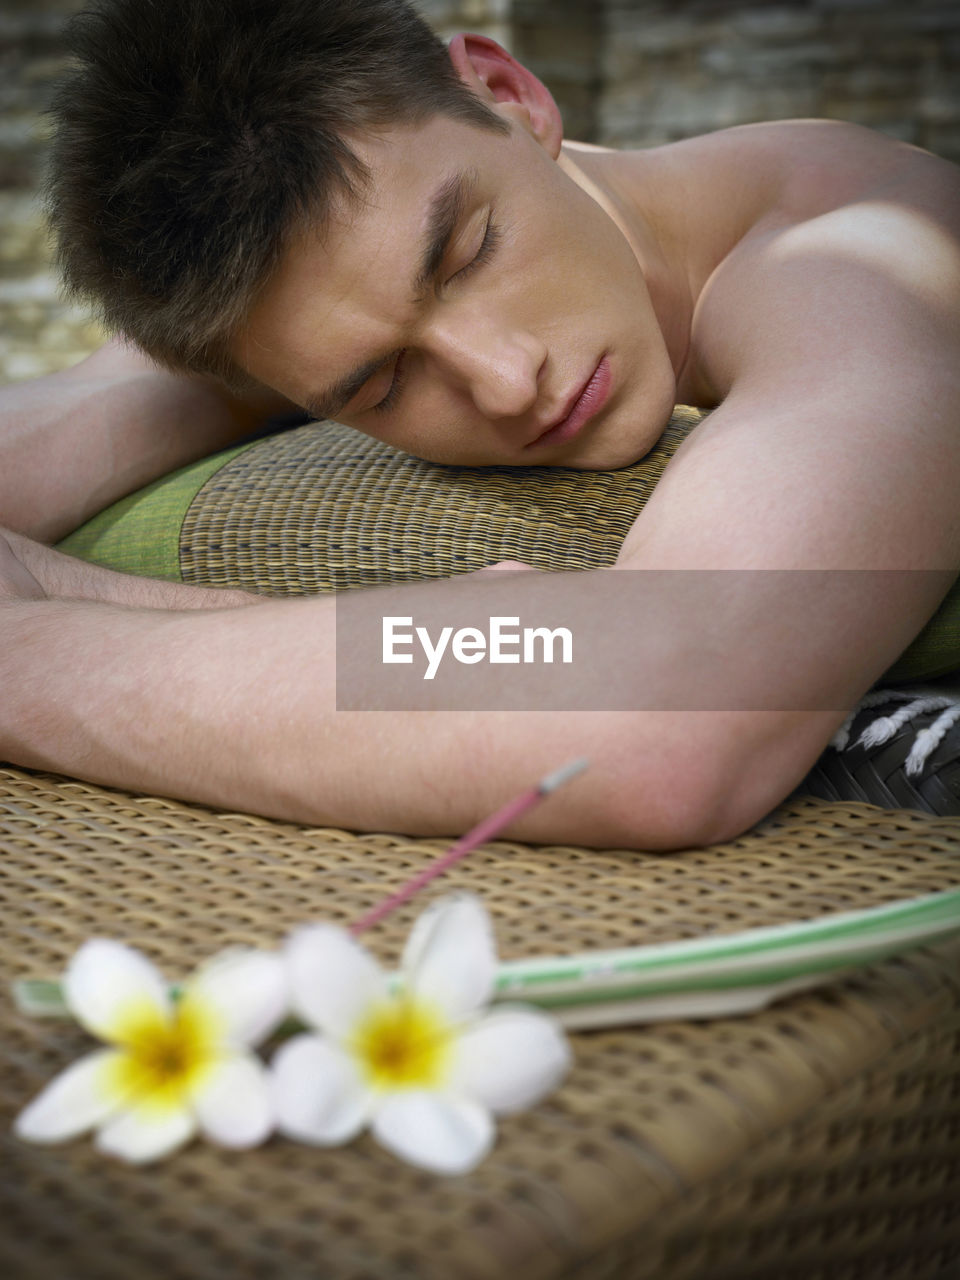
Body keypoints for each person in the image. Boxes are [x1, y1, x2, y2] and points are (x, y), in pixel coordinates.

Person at [0, 0, 958, 848]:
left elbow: (661, 713)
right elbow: (66, 416)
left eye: (468, 253)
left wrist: (33, 655)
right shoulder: (317, 310)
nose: (505, 383)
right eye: (381, 386)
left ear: (508, 93)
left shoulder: (863, 259)